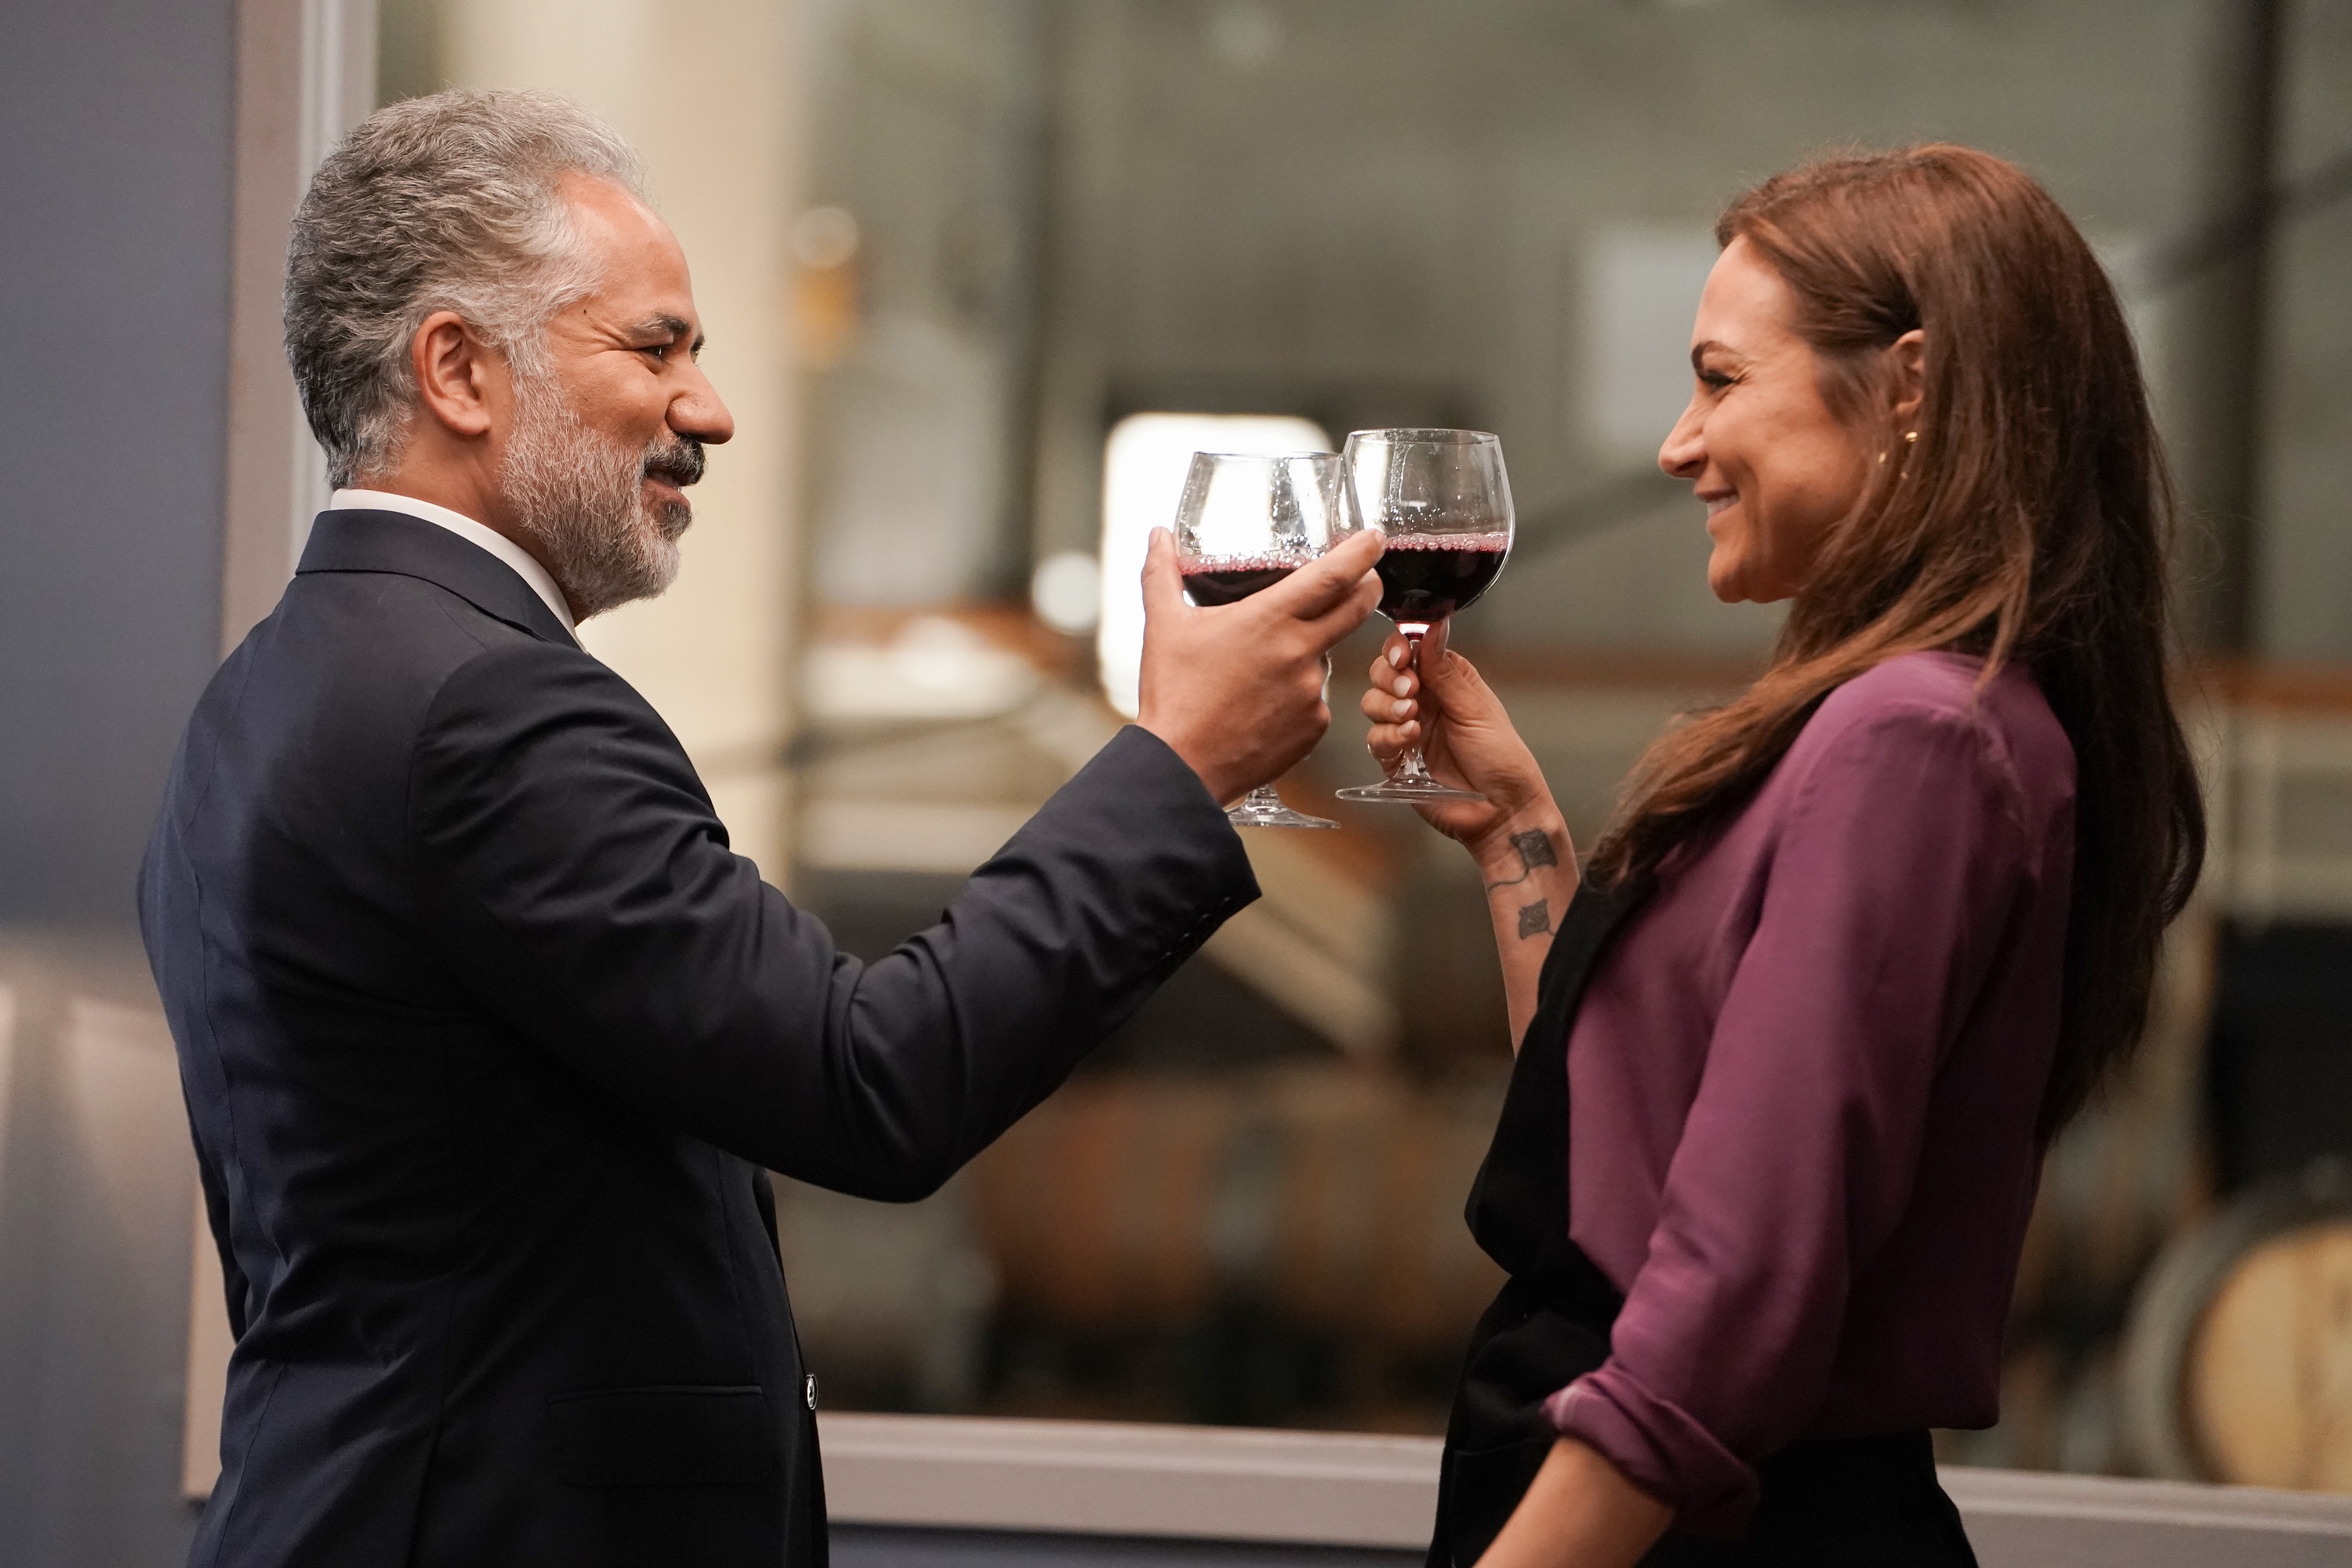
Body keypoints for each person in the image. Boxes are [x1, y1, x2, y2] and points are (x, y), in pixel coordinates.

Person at [141, 89, 1380, 1568]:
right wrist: (1177, 765)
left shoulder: (262, 691)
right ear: (459, 371)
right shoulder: (489, 713)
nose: (710, 408)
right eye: (655, 348)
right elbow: (872, 1081)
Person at [1362, 146, 2205, 1566]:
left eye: (1721, 379)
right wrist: (1517, 826)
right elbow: (1620, 1146)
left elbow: (1730, 1294)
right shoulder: (1911, 720)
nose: (1676, 445)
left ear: (1915, 387)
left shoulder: (1911, 739)